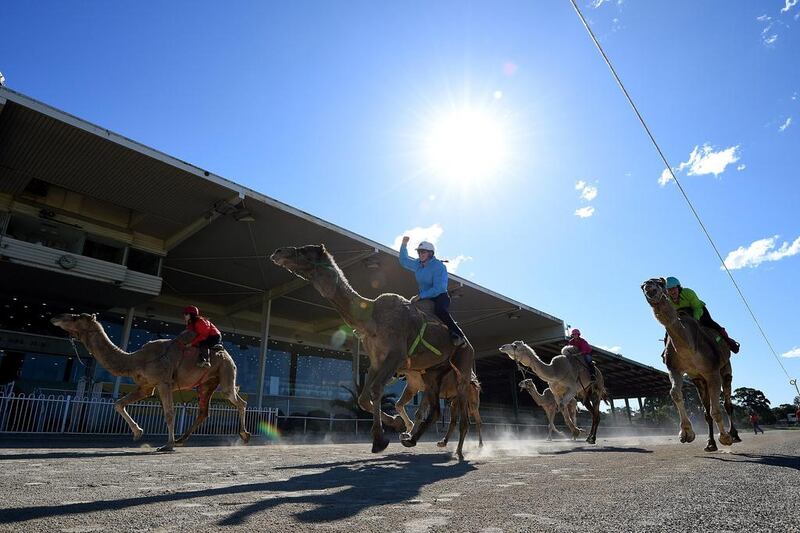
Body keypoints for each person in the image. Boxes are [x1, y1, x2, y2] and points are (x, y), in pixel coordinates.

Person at [399, 236, 465, 346]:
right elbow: (404, 261)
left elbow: (439, 288)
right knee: (410, 309)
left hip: (440, 296)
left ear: (430, 253)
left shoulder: (439, 266)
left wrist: (420, 296)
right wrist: (404, 245)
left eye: (423, 252)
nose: (420, 254)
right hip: (424, 297)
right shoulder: (417, 264)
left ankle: (458, 335)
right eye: (419, 252)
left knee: (439, 310)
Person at [665, 276, 740, 354]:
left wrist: (695, 320)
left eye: (673, 288)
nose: (672, 292)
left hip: (699, 312)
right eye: (669, 290)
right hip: (683, 317)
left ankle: (729, 342)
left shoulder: (688, 293)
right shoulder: (668, 300)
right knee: (669, 330)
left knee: (712, 324)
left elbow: (697, 308)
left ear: (678, 288)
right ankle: (666, 351)